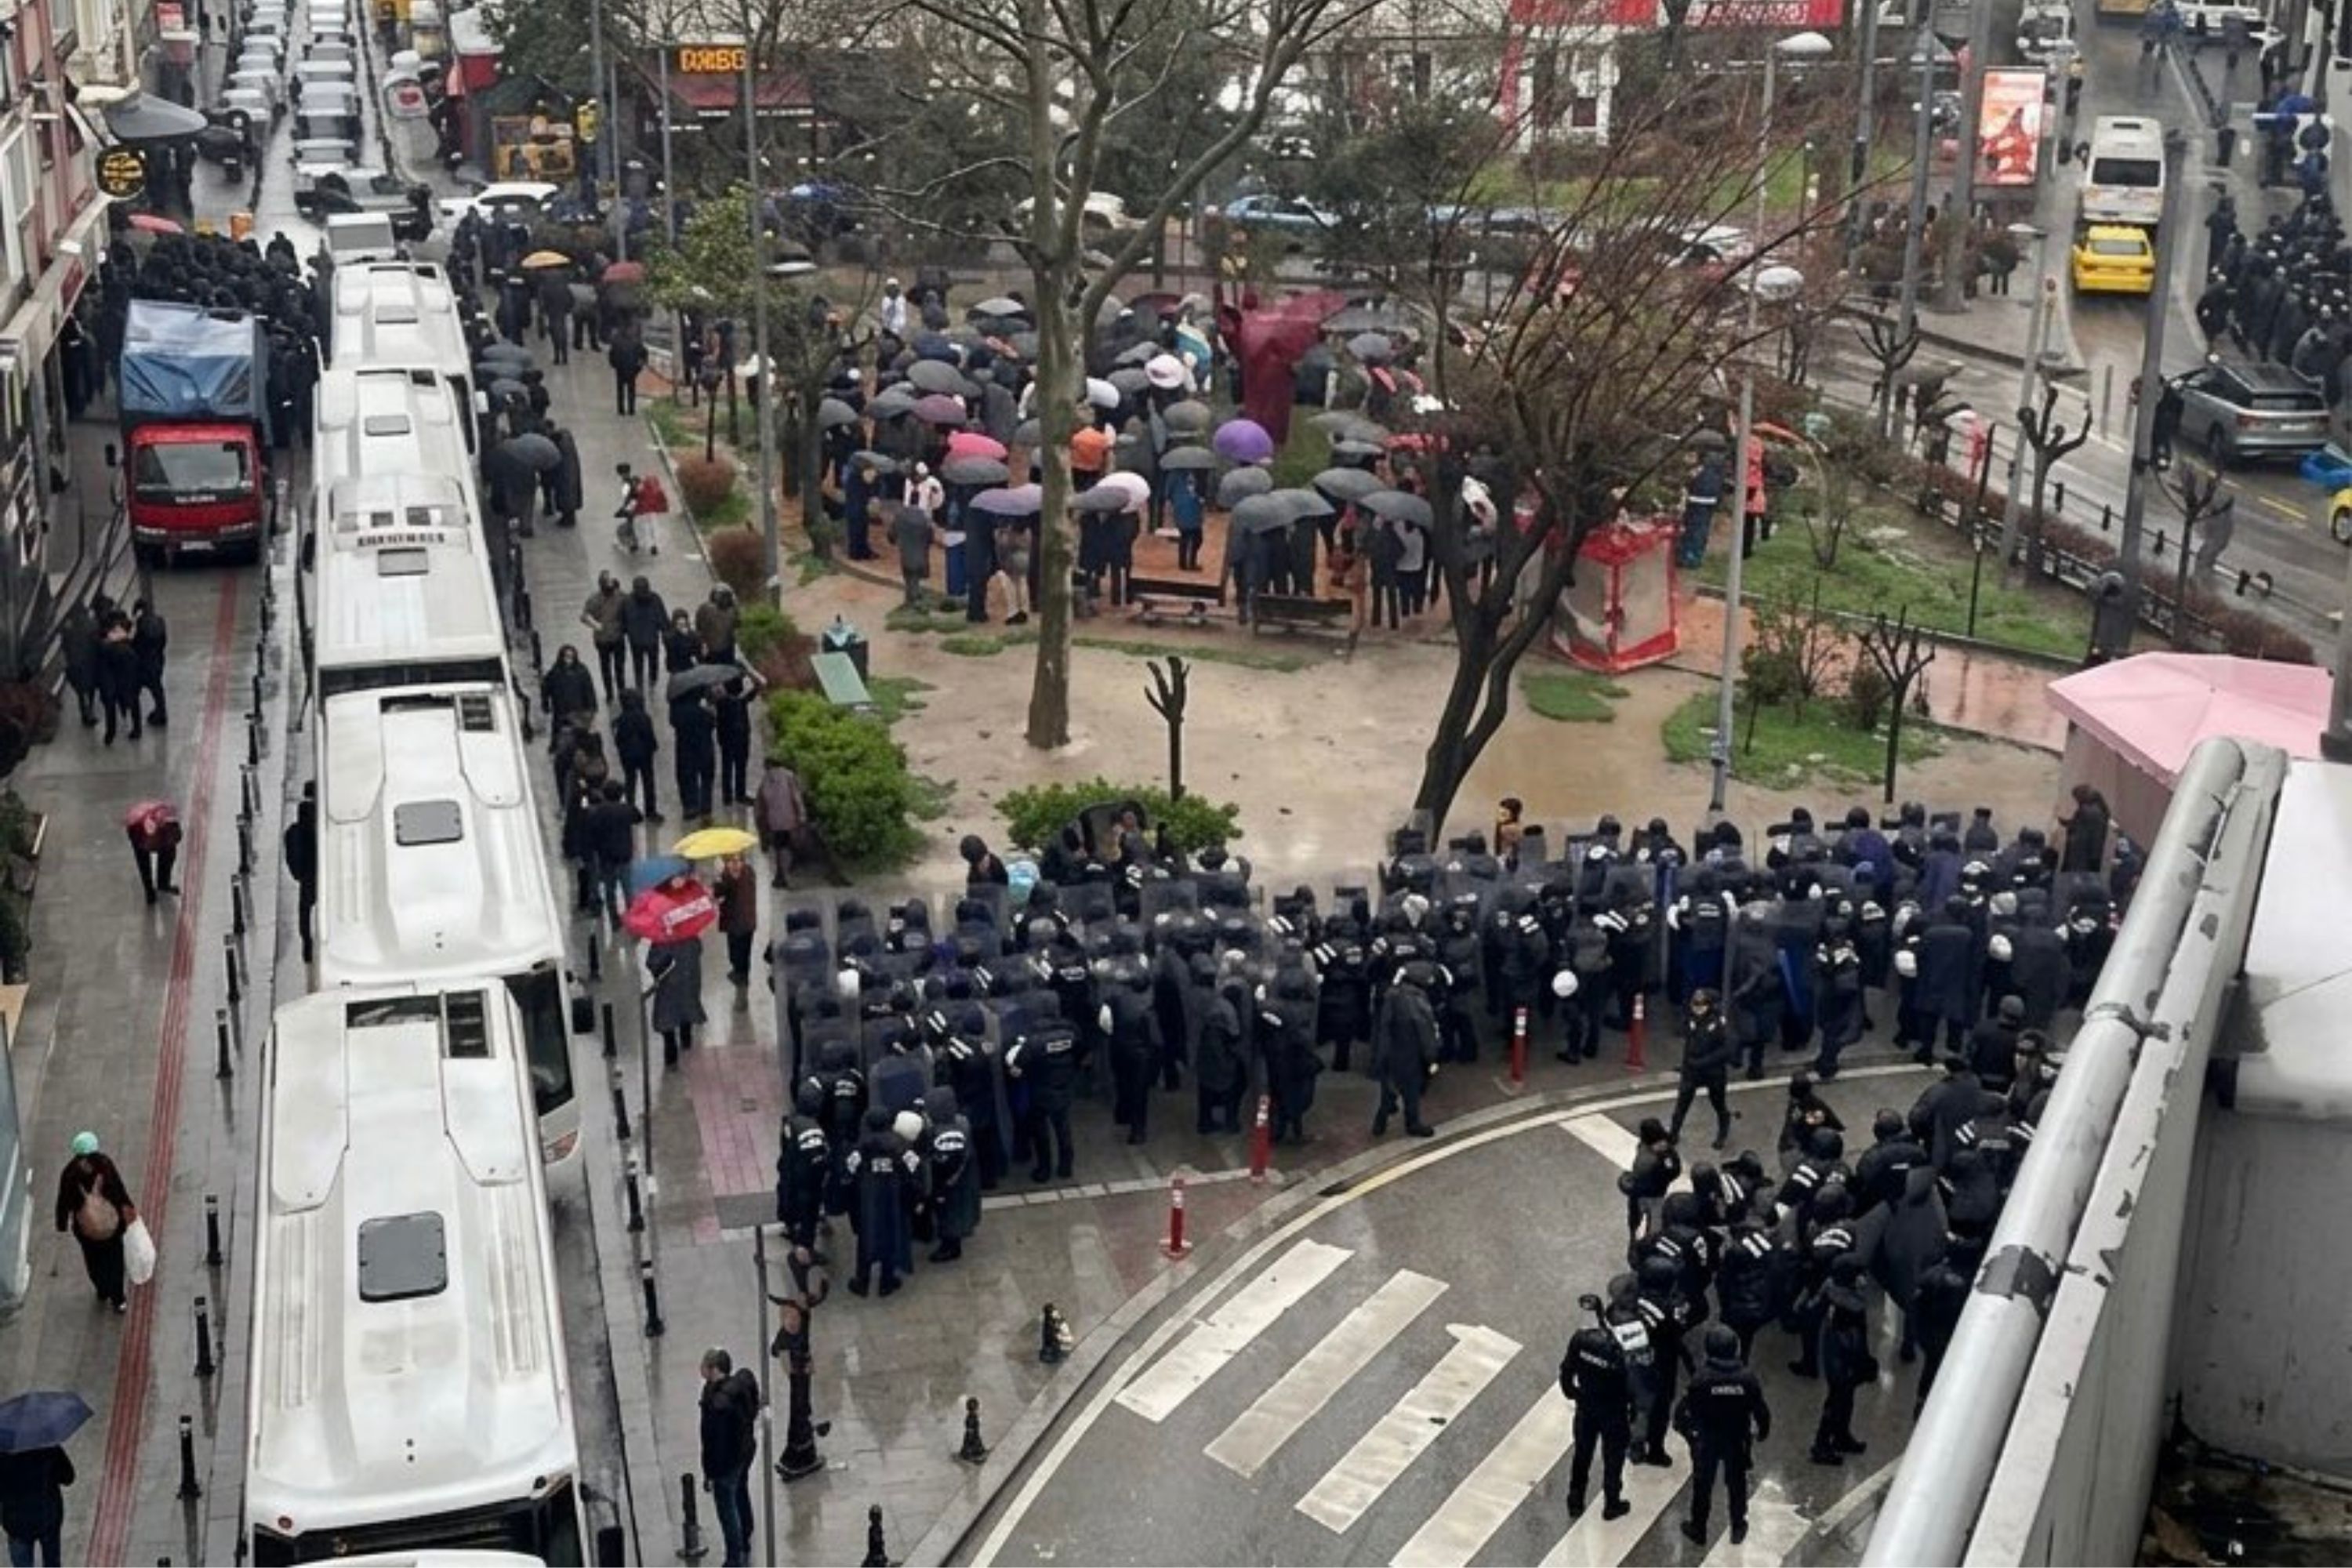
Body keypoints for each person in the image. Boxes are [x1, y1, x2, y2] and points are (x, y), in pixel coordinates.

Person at [1678, 1324, 1771, 1547]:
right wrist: (1763, 1430)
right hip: (1736, 1438)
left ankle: (1698, 1527)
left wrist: (1688, 1432)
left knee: (1703, 1484)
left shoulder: (1701, 1379)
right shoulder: (1747, 1378)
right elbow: (1760, 1409)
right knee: (1737, 1482)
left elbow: (1686, 1409)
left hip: (1707, 1439)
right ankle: (1738, 1525)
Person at [1559, 1291, 1635, 1521]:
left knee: (1582, 1454)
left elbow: (1567, 1370)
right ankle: (1612, 1503)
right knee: (1613, 1459)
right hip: (1613, 1411)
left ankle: (1575, 1499)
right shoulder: (1621, 1353)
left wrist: (1573, 1393)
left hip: (1587, 1406)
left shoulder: (1581, 1340)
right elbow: (1633, 1385)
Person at [53, 1132, 136, 1312]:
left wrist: (61, 1223)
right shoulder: (105, 1166)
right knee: (115, 1260)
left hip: (86, 1230)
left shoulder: (70, 1173)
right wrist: (128, 1207)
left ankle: (102, 1288)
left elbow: (63, 1201)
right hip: (112, 1226)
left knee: (93, 1260)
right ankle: (118, 1299)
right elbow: (119, 1190)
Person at [1810, 1254, 1876, 1465]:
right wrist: (1864, 1361)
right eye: (1860, 1274)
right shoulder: (1850, 1304)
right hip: (1843, 1358)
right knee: (1837, 1400)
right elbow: (1856, 1336)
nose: (1864, 1279)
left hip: (1835, 1352)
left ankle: (1841, 1436)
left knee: (1843, 1399)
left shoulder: (1831, 1290)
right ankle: (1822, 1445)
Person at [697, 1348, 760, 1568]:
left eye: (704, 1365)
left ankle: (735, 1557)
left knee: (727, 1509)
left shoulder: (717, 1405)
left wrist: (710, 1472)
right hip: (744, 1452)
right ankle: (746, 1534)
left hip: (726, 1462)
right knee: (741, 1491)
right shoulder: (738, 1387)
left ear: (714, 1369)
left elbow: (712, 1440)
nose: (701, 1369)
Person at [1371, 962, 1440, 1138]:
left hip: (1392, 1049)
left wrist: (1380, 1055)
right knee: (1412, 1088)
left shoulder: (1392, 995)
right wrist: (1431, 1056)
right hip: (1411, 1049)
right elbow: (1425, 1030)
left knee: (1391, 1086)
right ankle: (1413, 1123)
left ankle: (1381, 1118)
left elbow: (1384, 1027)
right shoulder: (1417, 1000)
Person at [1668, 988, 1735, 1150]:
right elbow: (1688, 1042)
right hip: (1692, 1070)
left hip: (1713, 1071)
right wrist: (1686, 1065)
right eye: (1695, 1005)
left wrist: (1703, 1062)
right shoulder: (1690, 1019)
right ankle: (1673, 1134)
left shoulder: (1718, 1023)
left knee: (1718, 1103)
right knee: (1681, 1105)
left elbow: (1726, 1050)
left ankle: (1723, 1132)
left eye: (1702, 1005)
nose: (1697, 1008)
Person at [0, 1441, 73, 1568]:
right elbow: (68, 1477)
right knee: (52, 1562)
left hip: (16, 1523)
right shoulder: (48, 1445)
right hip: (48, 1516)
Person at [649, 932, 707, 1063]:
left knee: (667, 1017)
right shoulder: (692, 937)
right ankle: (686, 1040)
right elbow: (698, 951)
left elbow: (653, 963)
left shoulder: (661, 939)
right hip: (688, 983)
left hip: (668, 986)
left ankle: (671, 1053)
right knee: (686, 1010)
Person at [754, 760, 808, 889]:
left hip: (773, 823)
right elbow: (797, 798)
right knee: (788, 847)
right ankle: (786, 876)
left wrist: (763, 833)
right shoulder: (789, 776)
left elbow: (759, 809)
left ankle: (780, 877)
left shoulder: (765, 781)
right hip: (790, 820)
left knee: (779, 848)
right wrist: (802, 816)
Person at [614, 688, 661, 822]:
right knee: (648, 782)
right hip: (644, 754)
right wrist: (653, 748)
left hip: (627, 755)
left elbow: (618, 740)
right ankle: (650, 811)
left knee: (630, 782)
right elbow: (649, 735)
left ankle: (630, 809)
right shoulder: (644, 717)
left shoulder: (621, 720)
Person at [284, 782, 318, 964]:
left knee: (305, 909)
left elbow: (291, 854)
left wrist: (299, 873)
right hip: (321, 872)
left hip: (307, 876)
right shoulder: (322, 820)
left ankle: (307, 945)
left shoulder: (296, 828)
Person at [125, 802, 183, 906]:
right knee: (144, 862)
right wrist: (149, 891)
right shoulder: (136, 831)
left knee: (168, 854)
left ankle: (163, 884)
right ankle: (150, 890)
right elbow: (143, 865)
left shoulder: (167, 826)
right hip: (140, 832)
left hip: (158, 828)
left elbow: (174, 839)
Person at [582, 572, 628, 700]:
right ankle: (609, 693)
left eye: (611, 583)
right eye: (607, 584)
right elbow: (584, 616)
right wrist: (595, 625)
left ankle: (622, 691)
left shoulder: (621, 596)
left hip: (618, 637)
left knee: (619, 667)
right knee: (605, 667)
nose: (610, 587)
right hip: (602, 640)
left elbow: (630, 607)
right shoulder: (594, 599)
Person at [715, 852, 758, 985]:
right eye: (732, 861)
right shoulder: (749, 872)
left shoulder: (726, 877)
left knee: (736, 951)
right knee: (745, 950)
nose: (735, 864)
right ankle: (743, 973)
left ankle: (740, 975)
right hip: (747, 920)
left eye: (737, 861)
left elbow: (719, 893)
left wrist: (719, 876)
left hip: (735, 922)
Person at [619, 575, 668, 691]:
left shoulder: (627, 601)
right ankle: (651, 681)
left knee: (639, 663)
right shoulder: (655, 598)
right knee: (651, 661)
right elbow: (663, 618)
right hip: (649, 639)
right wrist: (665, 632)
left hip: (637, 640)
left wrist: (625, 631)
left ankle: (641, 684)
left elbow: (623, 621)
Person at [96, 612, 140, 745]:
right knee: (133, 702)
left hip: (111, 683)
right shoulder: (129, 648)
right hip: (127, 680)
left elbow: (102, 667)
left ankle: (110, 734)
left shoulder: (105, 648)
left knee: (110, 708)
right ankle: (137, 729)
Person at [713, 680, 754, 807]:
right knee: (740, 765)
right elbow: (759, 686)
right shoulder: (739, 700)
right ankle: (739, 794)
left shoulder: (720, 699)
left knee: (727, 765)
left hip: (726, 735)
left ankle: (728, 797)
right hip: (740, 735)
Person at [59, 601, 99, 728]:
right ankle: (89, 711)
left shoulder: (67, 627)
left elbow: (64, 645)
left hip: (75, 662)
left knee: (81, 690)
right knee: (90, 688)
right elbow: (97, 642)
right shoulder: (93, 624)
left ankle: (86, 713)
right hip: (90, 661)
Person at [541, 644, 598, 734]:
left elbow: (589, 690)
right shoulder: (555, 673)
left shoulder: (582, 671)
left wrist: (592, 708)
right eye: (567, 657)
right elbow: (546, 689)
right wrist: (545, 704)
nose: (569, 660)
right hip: (561, 713)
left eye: (571, 657)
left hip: (579, 712)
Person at [130, 597, 168, 727]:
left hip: (144, 663)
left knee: (135, 690)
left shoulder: (141, 623)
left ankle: (136, 723)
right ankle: (161, 713)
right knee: (157, 689)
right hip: (157, 660)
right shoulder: (160, 620)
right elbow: (164, 641)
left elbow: (137, 644)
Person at [2059, 783, 2110, 873]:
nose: (2076, 801)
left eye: (2076, 798)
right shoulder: (2097, 809)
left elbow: (2084, 830)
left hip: (2082, 854)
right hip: (2087, 853)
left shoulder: (2088, 811)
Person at [891, 503, 934, 607]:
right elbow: (930, 538)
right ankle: (914, 597)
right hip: (921, 555)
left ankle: (912, 599)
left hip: (906, 555)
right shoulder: (925, 518)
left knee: (909, 576)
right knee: (915, 576)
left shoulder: (900, 516)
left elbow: (891, 536)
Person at [610, 332, 648, 415]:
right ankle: (631, 409)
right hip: (632, 369)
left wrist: (615, 365)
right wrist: (638, 368)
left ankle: (621, 409)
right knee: (631, 389)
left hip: (620, 368)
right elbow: (644, 354)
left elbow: (611, 355)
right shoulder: (636, 342)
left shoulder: (617, 341)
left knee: (620, 390)